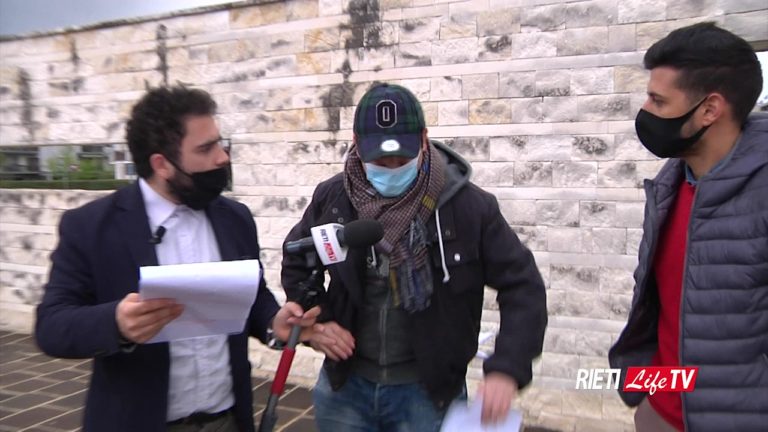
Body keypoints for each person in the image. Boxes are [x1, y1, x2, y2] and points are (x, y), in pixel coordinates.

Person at [35, 86, 320, 432]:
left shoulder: (235, 218)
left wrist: (274, 321)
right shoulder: (90, 227)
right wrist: (116, 323)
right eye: (206, 148)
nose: (222, 157)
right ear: (162, 165)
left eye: (220, 143)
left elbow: (252, 295)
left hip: (227, 421)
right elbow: (51, 326)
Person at [281, 83, 548, 431]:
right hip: (345, 387)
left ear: (423, 139)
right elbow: (299, 260)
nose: (392, 169)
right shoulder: (333, 199)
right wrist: (317, 324)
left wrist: (507, 367)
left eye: (401, 160)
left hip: (428, 395)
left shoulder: (469, 208)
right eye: (380, 161)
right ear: (356, 143)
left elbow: (523, 285)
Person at [608, 22, 768, 431]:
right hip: (659, 413)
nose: (646, 110)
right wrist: (647, 395)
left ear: (710, 110)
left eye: (658, 100)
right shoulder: (669, 186)